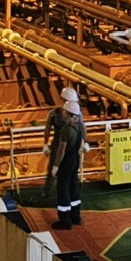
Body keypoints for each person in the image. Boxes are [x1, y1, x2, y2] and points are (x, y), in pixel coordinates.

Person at [45, 86, 87, 229]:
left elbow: (61, 150)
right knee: (74, 186)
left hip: (65, 161)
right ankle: (76, 216)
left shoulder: (65, 130)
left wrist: (56, 166)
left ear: (67, 112)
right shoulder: (79, 128)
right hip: (75, 159)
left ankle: (65, 221)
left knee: (63, 189)